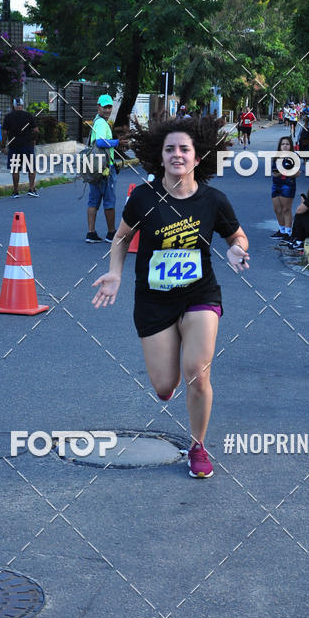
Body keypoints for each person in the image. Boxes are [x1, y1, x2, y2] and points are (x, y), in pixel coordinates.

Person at [91, 115, 250, 478]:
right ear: (160, 157)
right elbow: (121, 237)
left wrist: (237, 249)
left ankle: (198, 446)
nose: (177, 154)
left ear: (197, 157)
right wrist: (115, 273)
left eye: (184, 149)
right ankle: (168, 382)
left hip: (200, 295)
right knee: (165, 385)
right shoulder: (144, 197)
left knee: (197, 374)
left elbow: (237, 236)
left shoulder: (213, 200)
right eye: (170, 149)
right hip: (153, 300)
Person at [86, 93, 122, 243]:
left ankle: (91, 233)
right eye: (105, 107)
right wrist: (116, 142)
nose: (107, 110)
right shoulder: (101, 123)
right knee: (109, 201)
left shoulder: (97, 121)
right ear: (98, 107)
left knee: (93, 200)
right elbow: (100, 142)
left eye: (109, 107)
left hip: (95, 167)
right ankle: (111, 233)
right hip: (105, 168)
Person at [1, 98, 39, 198]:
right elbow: (36, 130)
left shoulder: (8, 116)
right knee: (31, 168)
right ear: (22, 105)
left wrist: (3, 145)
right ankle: (31, 189)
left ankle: (15, 191)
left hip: (14, 146)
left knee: (15, 169)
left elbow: (4, 132)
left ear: (13, 106)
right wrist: (33, 140)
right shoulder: (28, 115)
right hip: (27, 145)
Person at [283, 174, 309, 252]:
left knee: (300, 215)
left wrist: (304, 202)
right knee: (304, 214)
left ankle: (298, 240)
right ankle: (296, 239)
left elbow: (299, 210)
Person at [270, 136, 297, 241]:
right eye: (282, 144)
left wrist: (282, 172)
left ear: (290, 146)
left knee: (286, 209)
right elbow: (274, 171)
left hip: (288, 185)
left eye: (287, 144)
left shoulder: (293, 157)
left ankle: (288, 233)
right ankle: (281, 231)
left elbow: (296, 173)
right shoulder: (276, 157)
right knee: (277, 209)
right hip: (276, 184)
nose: (285, 146)